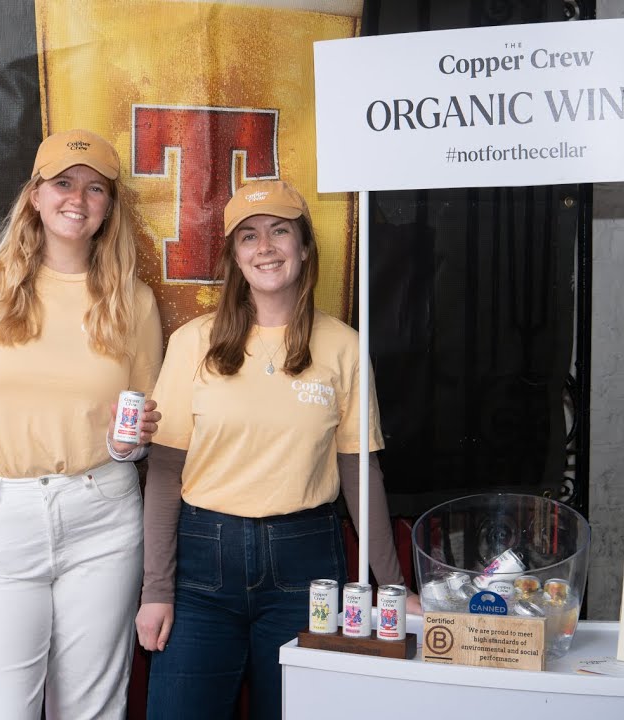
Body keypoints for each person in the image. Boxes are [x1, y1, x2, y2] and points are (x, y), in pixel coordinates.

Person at [135, 180, 419, 720]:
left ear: (305, 247)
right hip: (202, 563)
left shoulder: (344, 346)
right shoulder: (193, 342)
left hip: (306, 563)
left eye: (280, 231)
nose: (264, 247)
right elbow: (166, 474)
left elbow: (361, 474)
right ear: (234, 257)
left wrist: (393, 585)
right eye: (248, 236)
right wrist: (156, 590)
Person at [0, 128, 163, 718]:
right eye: (63, 183)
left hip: (102, 518)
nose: (77, 198)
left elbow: (134, 437)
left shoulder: (133, 300)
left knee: (91, 711)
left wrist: (127, 445)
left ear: (109, 207)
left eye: (95, 189)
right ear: (35, 194)